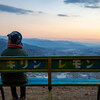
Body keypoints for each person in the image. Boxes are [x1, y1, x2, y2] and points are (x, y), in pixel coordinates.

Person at [1, 31, 28, 100]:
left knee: (10, 73)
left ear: (10, 41)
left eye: (8, 39)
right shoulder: (24, 53)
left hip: (6, 80)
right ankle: (22, 97)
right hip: (22, 80)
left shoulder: (4, 52)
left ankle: (14, 96)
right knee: (21, 74)